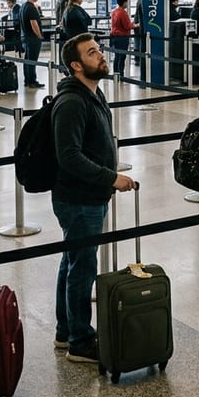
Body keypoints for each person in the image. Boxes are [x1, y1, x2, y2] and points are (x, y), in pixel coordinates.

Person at [50, 33, 137, 362]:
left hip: (90, 196)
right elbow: (68, 156)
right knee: (82, 268)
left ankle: (65, 330)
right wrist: (112, 178)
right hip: (79, 199)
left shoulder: (92, 93)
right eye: (92, 53)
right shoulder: (72, 102)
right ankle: (80, 342)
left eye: (98, 50)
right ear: (75, 65)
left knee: (71, 262)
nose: (101, 56)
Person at [21, 0, 45, 89]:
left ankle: (27, 80)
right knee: (32, 60)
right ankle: (32, 81)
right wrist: (39, 35)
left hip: (25, 37)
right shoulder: (31, 8)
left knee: (27, 59)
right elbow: (34, 23)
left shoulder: (23, 6)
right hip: (32, 38)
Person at [109, 0, 134, 78]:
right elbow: (127, 26)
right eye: (126, 2)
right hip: (122, 37)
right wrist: (136, 25)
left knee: (117, 56)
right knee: (122, 56)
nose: (127, 4)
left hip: (114, 36)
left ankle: (116, 73)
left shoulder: (114, 12)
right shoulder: (123, 13)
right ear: (124, 3)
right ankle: (121, 74)